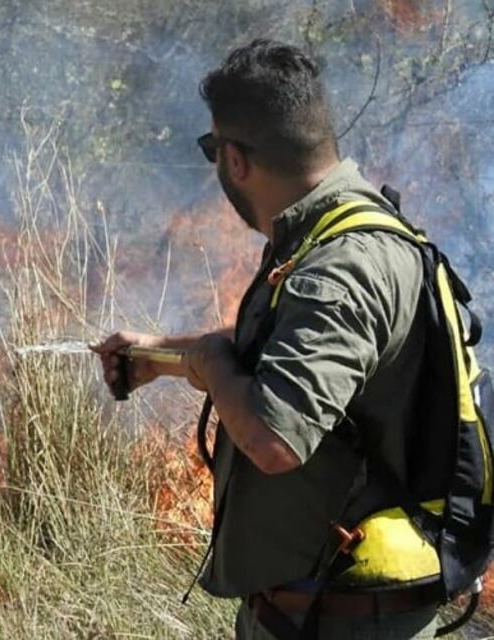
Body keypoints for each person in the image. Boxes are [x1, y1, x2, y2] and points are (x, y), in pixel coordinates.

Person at [92, 39, 442, 638]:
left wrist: (209, 360)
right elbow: (294, 348)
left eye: (212, 149)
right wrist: (163, 355)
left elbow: (275, 440)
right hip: (321, 606)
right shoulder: (340, 233)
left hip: (346, 617)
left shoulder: (340, 267)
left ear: (234, 160)